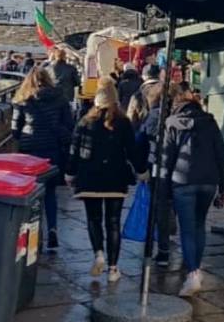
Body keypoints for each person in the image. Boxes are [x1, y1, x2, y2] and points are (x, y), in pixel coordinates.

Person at [66, 80, 142, 281]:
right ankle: (113, 268)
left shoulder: (84, 121)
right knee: (114, 222)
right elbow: (132, 151)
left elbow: (74, 150)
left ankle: (98, 253)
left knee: (93, 219)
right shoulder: (123, 123)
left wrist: (70, 173)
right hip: (115, 179)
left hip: (90, 178)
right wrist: (141, 171)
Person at [162, 88, 224, 296]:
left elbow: (167, 157)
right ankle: (195, 269)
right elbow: (221, 154)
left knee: (187, 229)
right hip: (208, 180)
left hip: (182, 181)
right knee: (199, 225)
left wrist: (164, 190)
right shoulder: (210, 122)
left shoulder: (171, 123)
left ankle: (192, 273)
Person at [11, 66, 74, 250]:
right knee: (50, 192)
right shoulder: (60, 99)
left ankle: (33, 234)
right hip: (52, 149)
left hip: (29, 152)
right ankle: (53, 228)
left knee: (32, 193)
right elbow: (69, 124)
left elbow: (15, 131)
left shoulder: (22, 101)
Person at [136, 83, 176, 269]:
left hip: (157, 167)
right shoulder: (177, 114)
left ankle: (163, 250)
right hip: (179, 167)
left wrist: (140, 167)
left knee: (160, 206)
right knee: (170, 206)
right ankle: (170, 236)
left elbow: (141, 141)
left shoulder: (153, 116)